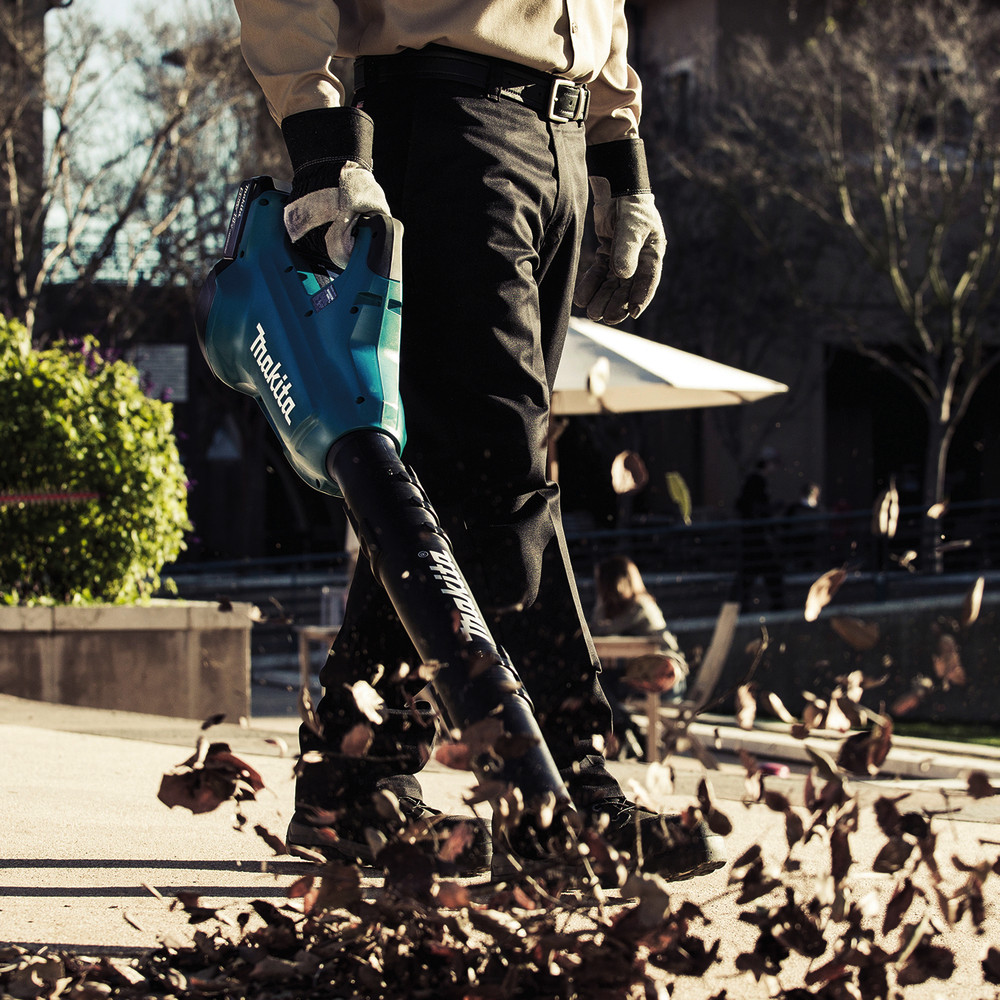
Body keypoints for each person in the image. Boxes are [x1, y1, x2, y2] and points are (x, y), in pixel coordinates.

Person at [232, 0, 725, 884]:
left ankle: (354, 779)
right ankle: (564, 786)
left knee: (452, 481)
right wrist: (323, 143)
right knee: (501, 463)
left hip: (561, 138)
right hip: (446, 120)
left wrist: (620, 156)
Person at [590, 556, 689, 759]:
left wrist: (600, 602)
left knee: (597, 683)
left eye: (600, 583)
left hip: (666, 680)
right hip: (644, 677)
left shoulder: (640, 606)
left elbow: (597, 630)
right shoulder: (624, 608)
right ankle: (629, 732)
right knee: (598, 681)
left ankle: (627, 731)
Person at [732, 448, 786, 610]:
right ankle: (776, 605)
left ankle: (741, 606)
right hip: (756, 536)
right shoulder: (757, 481)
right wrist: (771, 511)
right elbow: (755, 507)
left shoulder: (754, 480)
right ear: (768, 464)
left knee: (749, 574)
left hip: (753, 535)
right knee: (768, 570)